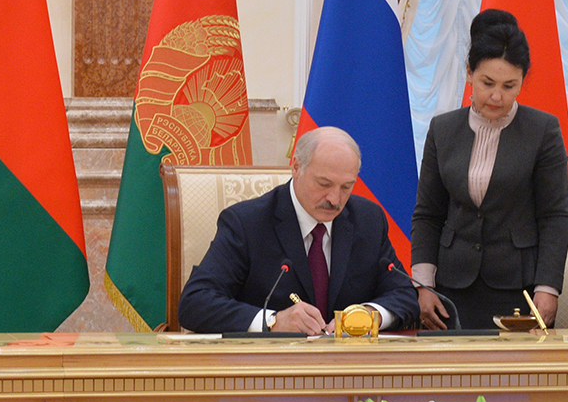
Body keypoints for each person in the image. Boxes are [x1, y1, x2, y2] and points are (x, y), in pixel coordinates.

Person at [412, 9, 568, 330]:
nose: (497, 96)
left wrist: (548, 288)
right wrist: (423, 285)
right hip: (450, 288)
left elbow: (554, 216)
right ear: (469, 73)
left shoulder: (542, 130)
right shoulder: (443, 129)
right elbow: (428, 214)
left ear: (523, 81)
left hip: (519, 288)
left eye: (509, 86)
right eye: (487, 83)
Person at [178, 126, 418, 334]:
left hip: (350, 365)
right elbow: (195, 303)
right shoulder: (247, 223)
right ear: (296, 167)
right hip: (270, 366)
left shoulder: (368, 220)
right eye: (324, 184)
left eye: (346, 187)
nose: (334, 199)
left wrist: (368, 315)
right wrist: (273, 321)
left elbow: (404, 295)